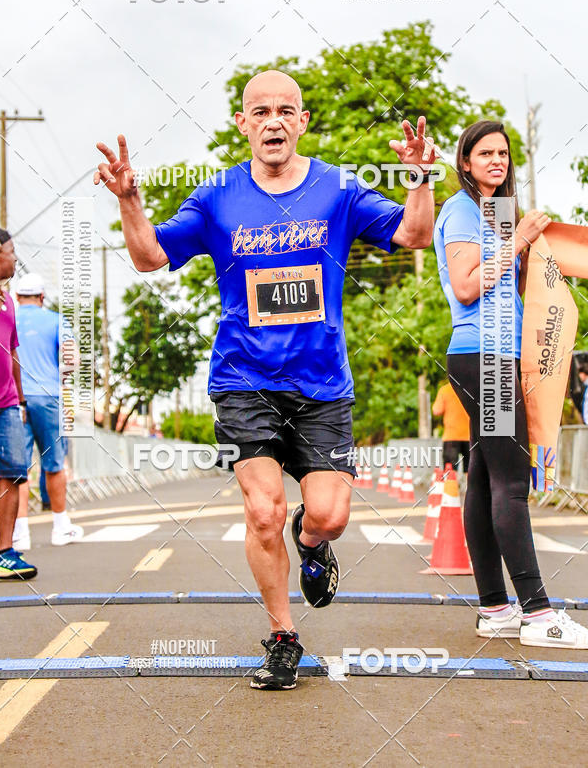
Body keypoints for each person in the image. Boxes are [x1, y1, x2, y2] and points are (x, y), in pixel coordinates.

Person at [94, 70, 436, 689]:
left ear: (302, 121)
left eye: (286, 110)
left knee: (329, 516)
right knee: (261, 513)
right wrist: (128, 200)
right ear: (242, 124)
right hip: (243, 379)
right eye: (261, 111)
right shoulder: (217, 196)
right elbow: (149, 257)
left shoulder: (338, 188)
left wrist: (418, 177)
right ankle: (283, 636)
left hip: (320, 384)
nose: (274, 120)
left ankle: (313, 546)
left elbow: (413, 234)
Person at [434, 119, 588, 648]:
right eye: (484, 154)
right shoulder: (460, 210)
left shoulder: (495, 212)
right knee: (510, 482)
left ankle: (496, 607)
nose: (496, 161)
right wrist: (519, 238)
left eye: (502, 154)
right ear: (466, 162)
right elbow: (467, 286)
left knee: (483, 478)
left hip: (498, 355)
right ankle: (539, 613)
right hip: (486, 357)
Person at [14, 272, 83, 548]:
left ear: (18, 298)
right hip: (48, 396)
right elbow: (72, 359)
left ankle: (20, 533)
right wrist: (61, 376)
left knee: (16, 468)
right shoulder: (56, 320)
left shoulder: (8, 318)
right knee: (54, 464)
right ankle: (60, 527)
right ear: (42, 297)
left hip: (14, 399)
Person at [0, 228, 37, 580]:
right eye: (11, 250)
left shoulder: (8, 301)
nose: (15, 257)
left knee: (12, 472)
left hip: (4, 403)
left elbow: (13, 352)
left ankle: (4, 553)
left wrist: (19, 399)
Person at [432, 380, 470, 478]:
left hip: (451, 436)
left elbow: (437, 410)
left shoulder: (445, 390)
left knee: (450, 468)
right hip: (469, 436)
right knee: (470, 468)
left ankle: (451, 491)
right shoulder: (469, 388)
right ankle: (469, 491)